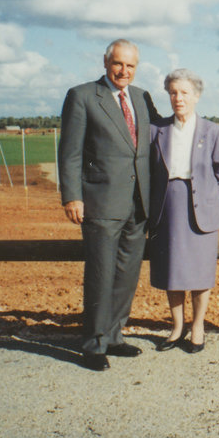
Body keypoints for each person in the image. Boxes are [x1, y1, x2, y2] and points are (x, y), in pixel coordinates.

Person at [58, 39, 161, 371]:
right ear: (105, 62)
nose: (124, 71)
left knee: (126, 275)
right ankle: (93, 344)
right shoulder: (83, 96)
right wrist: (72, 196)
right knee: (101, 275)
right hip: (101, 203)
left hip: (139, 203)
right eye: (118, 64)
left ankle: (114, 337)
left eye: (131, 66)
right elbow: (70, 152)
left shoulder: (143, 98)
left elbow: (162, 130)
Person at [148, 69, 219, 354]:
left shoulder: (213, 131)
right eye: (173, 92)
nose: (178, 98)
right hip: (167, 207)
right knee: (173, 271)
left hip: (201, 210)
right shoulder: (156, 129)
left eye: (184, 92)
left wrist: (206, 198)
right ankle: (176, 327)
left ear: (196, 96)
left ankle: (198, 326)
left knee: (199, 273)